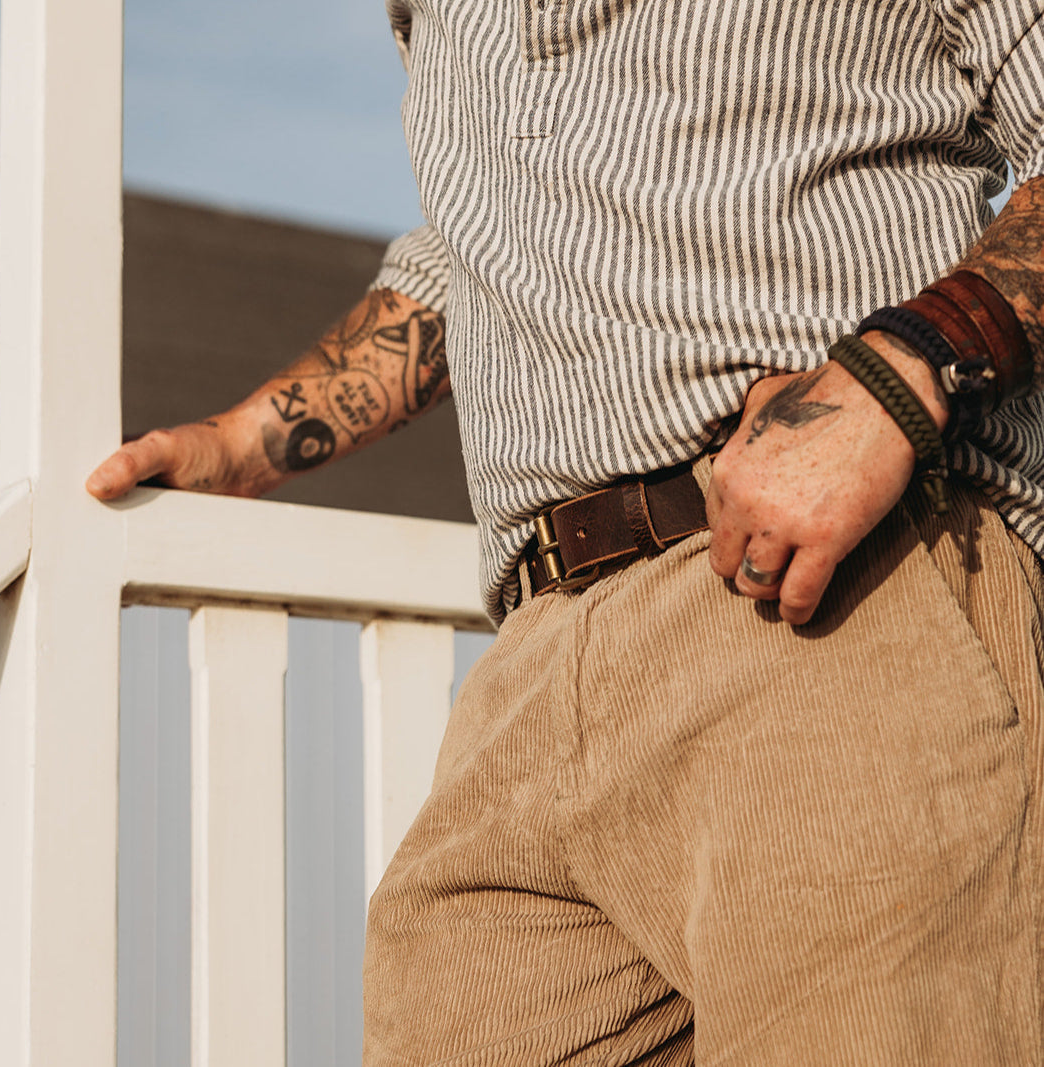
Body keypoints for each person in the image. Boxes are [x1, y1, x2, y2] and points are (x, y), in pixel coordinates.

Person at [89, 0, 1044, 1061]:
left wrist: (898, 373)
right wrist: (244, 443)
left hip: (832, 598)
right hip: (533, 658)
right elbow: (474, 250)